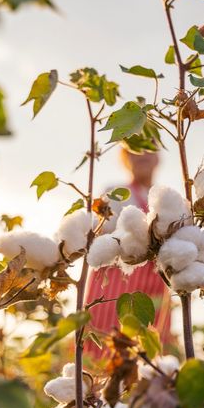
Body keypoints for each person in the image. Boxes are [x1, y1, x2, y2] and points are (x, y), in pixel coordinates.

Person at [83, 148, 173, 355]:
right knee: (103, 348)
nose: (142, 155)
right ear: (125, 158)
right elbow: (97, 237)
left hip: (155, 287)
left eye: (148, 148)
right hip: (113, 286)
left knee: (150, 353)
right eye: (134, 150)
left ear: (157, 156)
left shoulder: (165, 201)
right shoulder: (115, 193)